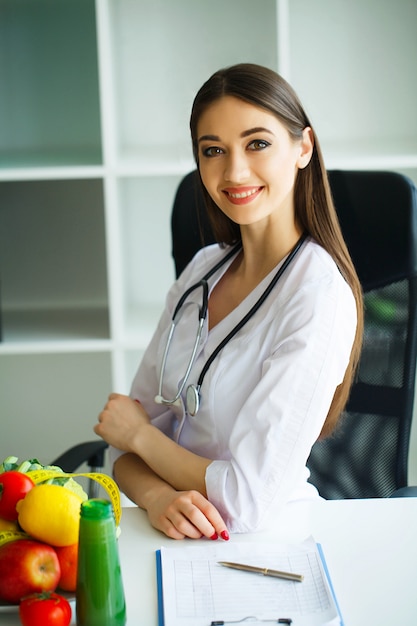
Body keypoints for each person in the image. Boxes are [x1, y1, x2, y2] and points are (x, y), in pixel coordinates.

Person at [94, 63, 363, 541]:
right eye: (213, 150)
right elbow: (119, 447)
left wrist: (141, 437)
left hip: (269, 545)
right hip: (175, 532)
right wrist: (158, 498)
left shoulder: (318, 298)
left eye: (257, 143)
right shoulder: (202, 270)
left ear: (303, 147)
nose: (234, 171)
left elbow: (243, 502)